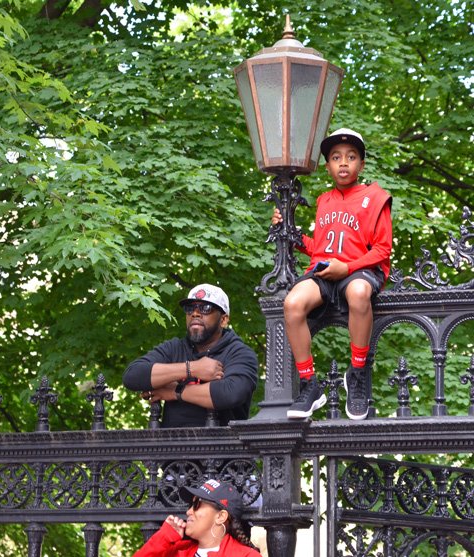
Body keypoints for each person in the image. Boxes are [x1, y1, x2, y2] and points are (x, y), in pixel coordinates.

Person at [273, 128, 392, 421]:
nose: (343, 163)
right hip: (325, 272)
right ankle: (310, 384)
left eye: (351, 157)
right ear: (327, 166)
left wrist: (348, 268)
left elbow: (383, 249)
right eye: (336, 157)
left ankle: (357, 373)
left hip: (359, 271)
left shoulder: (375, 197)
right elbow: (320, 248)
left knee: (359, 292)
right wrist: (289, 233)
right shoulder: (324, 200)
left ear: (361, 165)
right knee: (292, 304)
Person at [123, 284, 258, 427]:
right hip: (172, 446)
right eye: (190, 309)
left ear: (223, 320)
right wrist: (191, 368)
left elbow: (231, 393)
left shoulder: (240, 353)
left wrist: (176, 391)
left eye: (205, 308)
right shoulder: (173, 348)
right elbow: (132, 375)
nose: (195, 313)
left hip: (221, 446)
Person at [132, 479, 261, 556]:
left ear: (221, 517)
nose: (188, 511)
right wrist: (163, 537)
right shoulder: (177, 551)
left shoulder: (247, 556)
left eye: (196, 504)